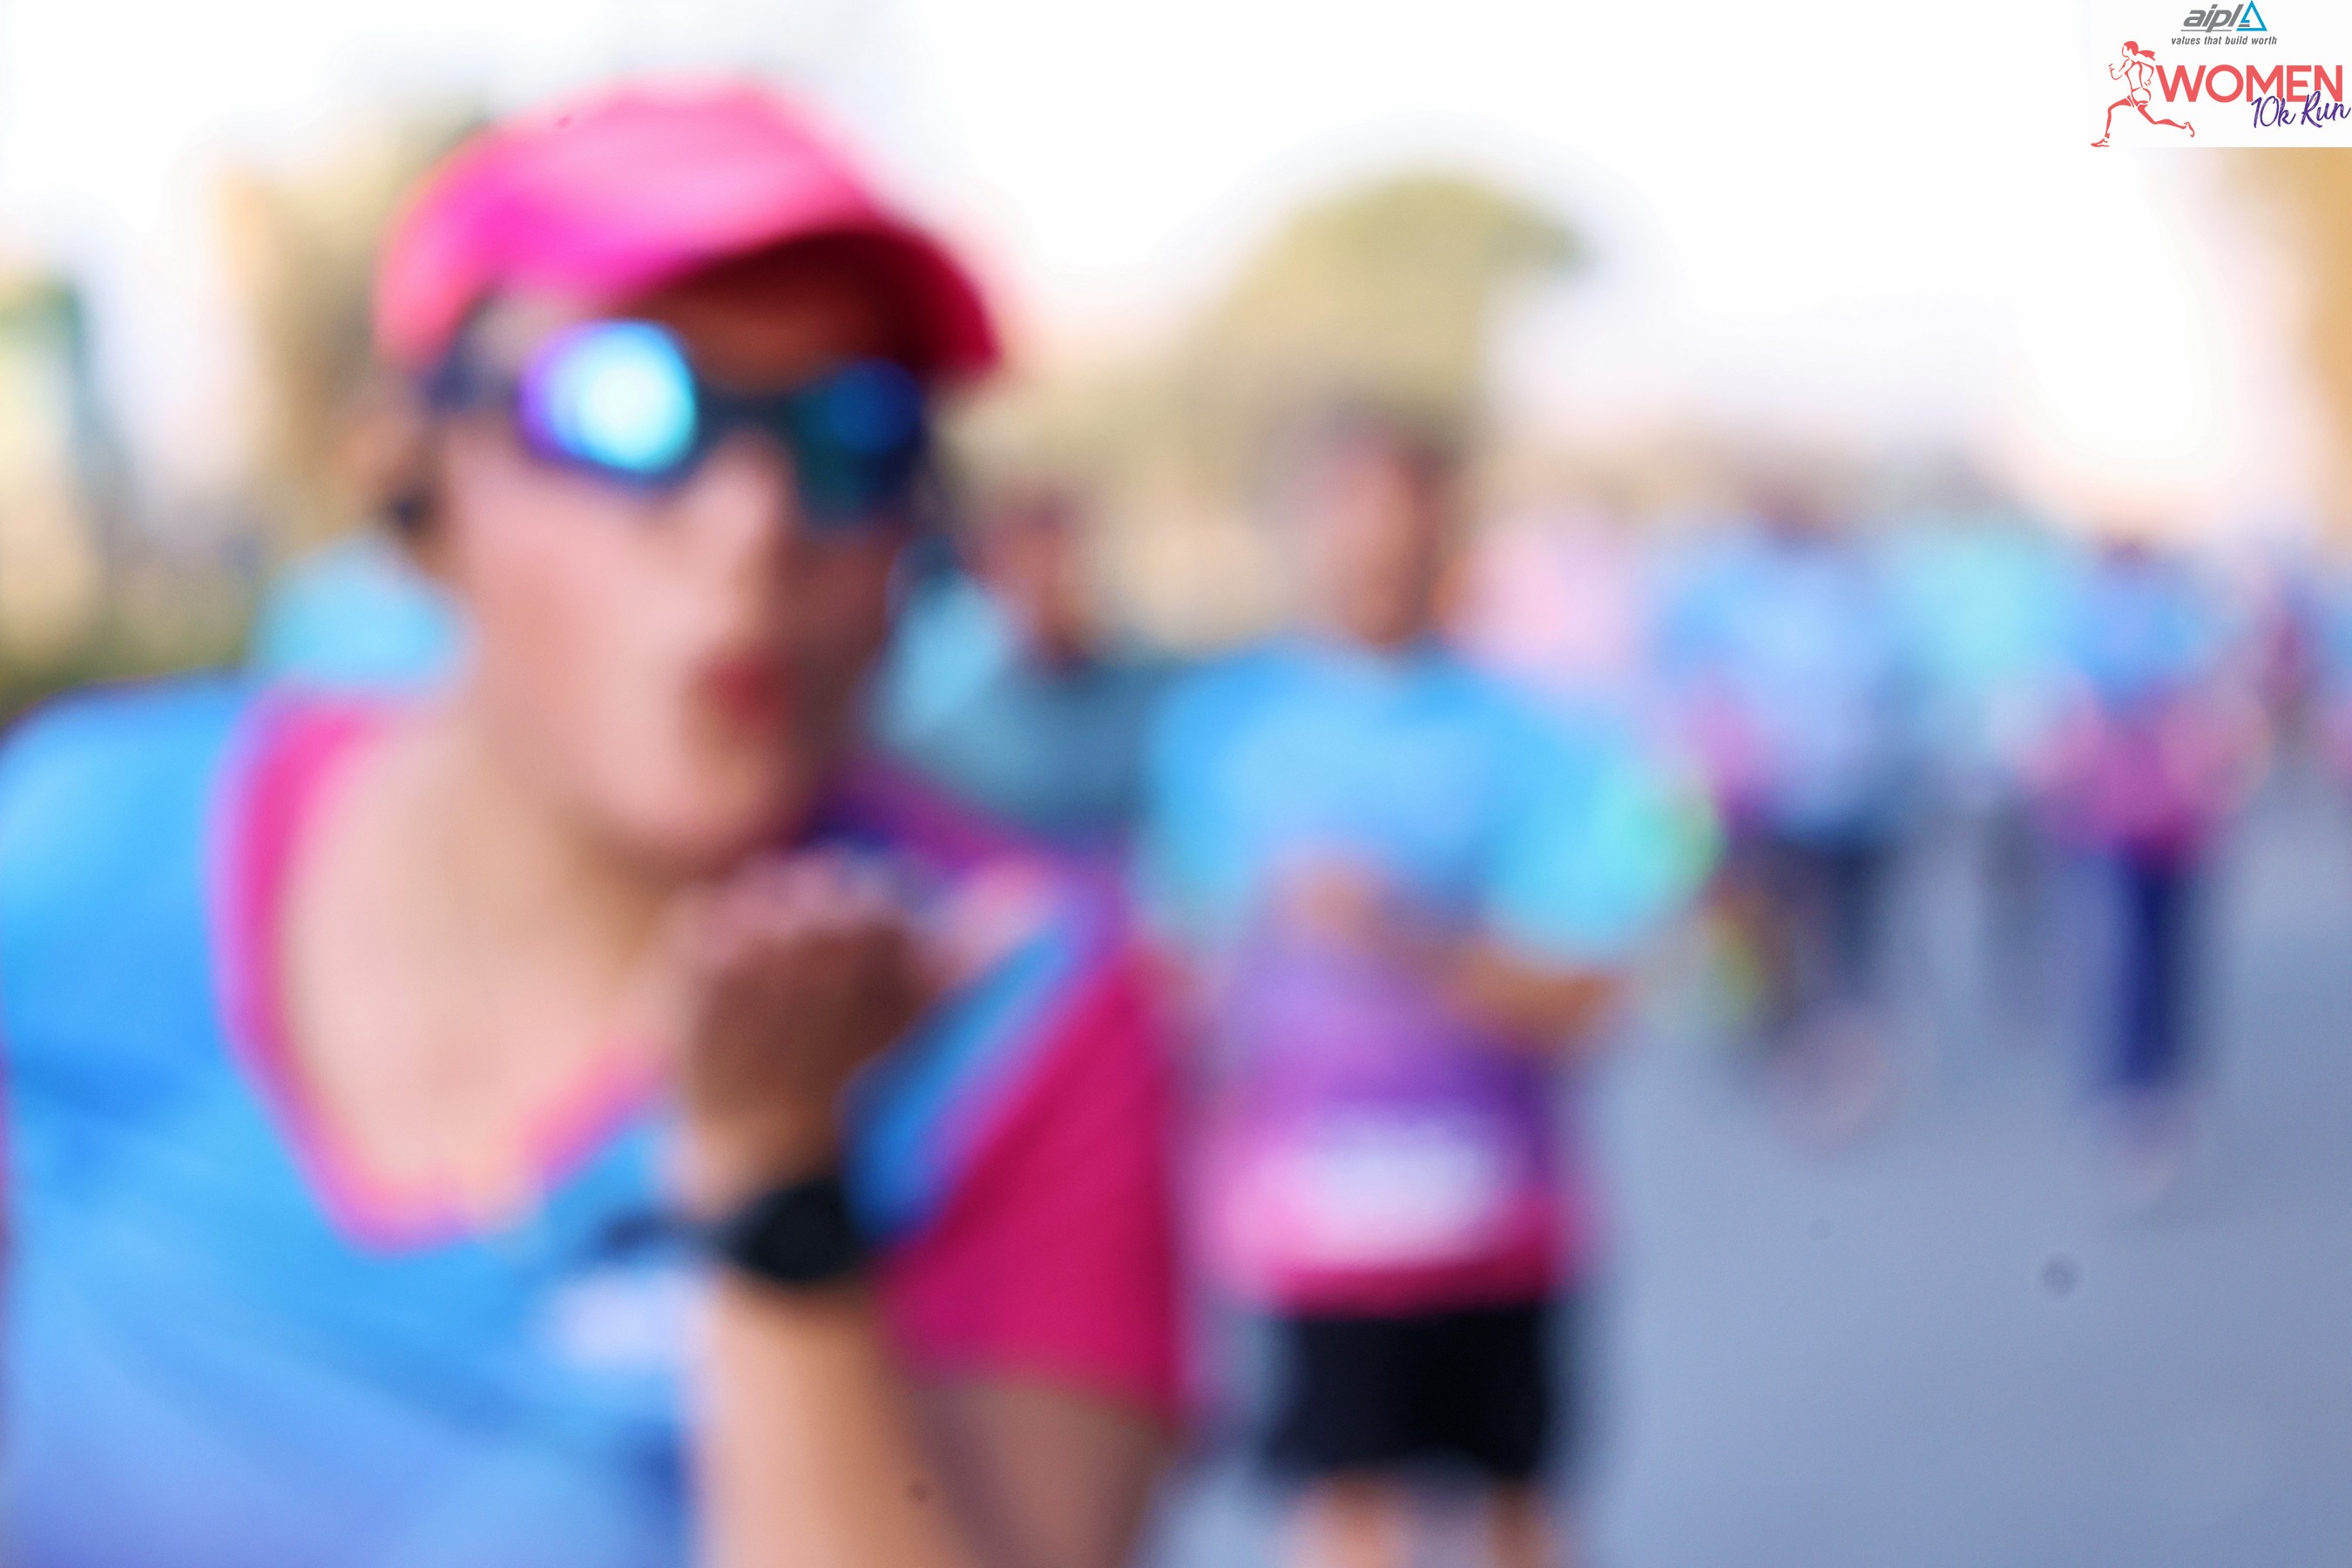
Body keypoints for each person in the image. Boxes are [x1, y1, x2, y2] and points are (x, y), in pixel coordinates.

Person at [0, 84, 1181, 1566]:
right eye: (630, 408)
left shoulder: (1016, 998)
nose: (755, 522)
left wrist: (779, 1197)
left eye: (855, 436)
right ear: (413, 475)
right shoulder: (79, 841)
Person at [1140, 410, 1698, 1568]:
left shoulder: (1537, 735)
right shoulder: (1216, 730)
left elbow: (1582, 996)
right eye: (1346, 515)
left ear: (1449, 528)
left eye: (1402, 518)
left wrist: (1399, 936)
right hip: (1310, 1233)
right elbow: (1175, 984)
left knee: (1520, 1511)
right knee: (1347, 1516)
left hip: (1500, 1218)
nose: (1373, 549)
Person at [872, 483, 1171, 854]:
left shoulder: (1148, 696)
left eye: (1068, 562)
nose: (1058, 582)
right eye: (1036, 564)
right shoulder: (936, 715)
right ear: (992, 573)